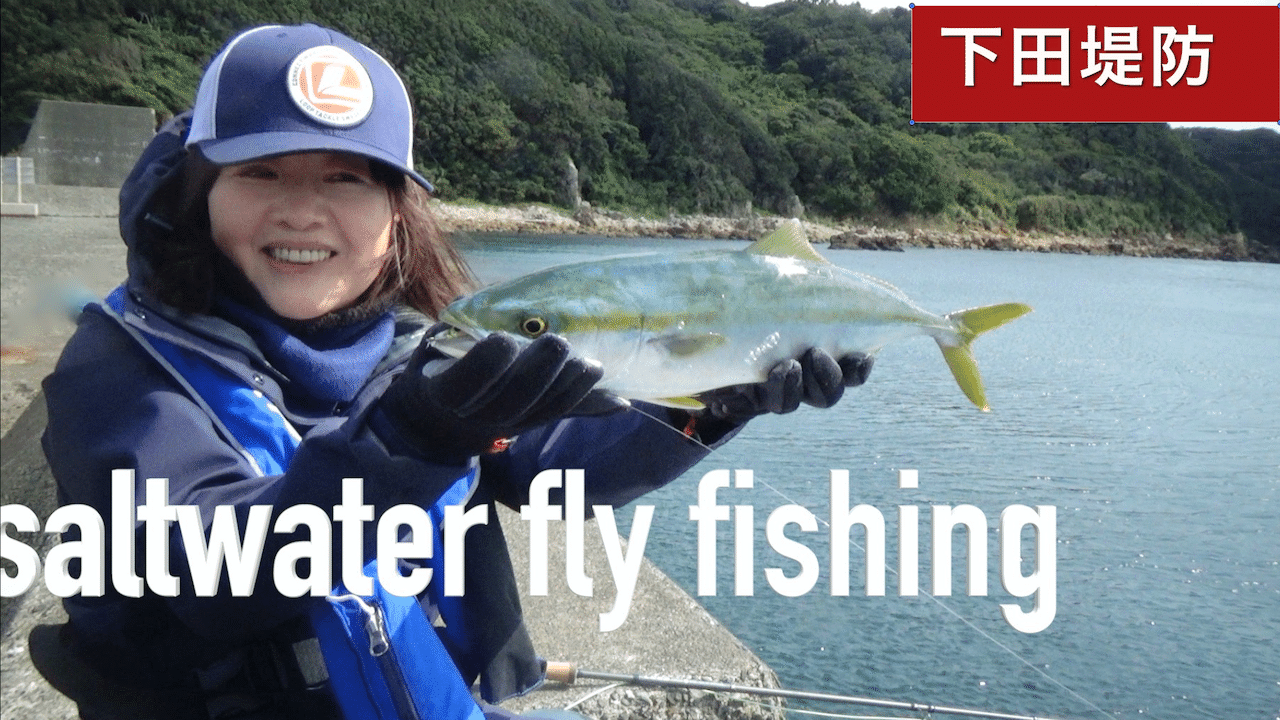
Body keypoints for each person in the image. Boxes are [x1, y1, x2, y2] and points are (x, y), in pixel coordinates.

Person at [34, 22, 873, 720]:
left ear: (397, 217)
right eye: (260, 173)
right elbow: (215, 575)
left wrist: (707, 404)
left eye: (346, 178)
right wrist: (412, 439)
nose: (302, 209)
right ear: (197, 193)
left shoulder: (416, 343)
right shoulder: (123, 373)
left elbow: (554, 472)